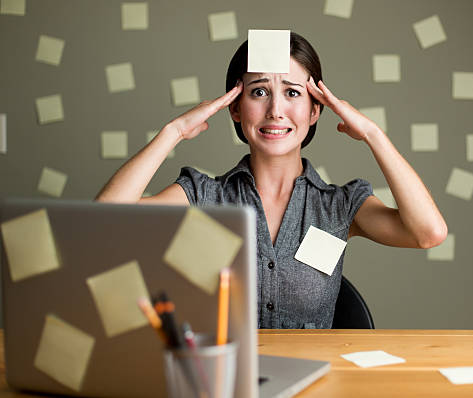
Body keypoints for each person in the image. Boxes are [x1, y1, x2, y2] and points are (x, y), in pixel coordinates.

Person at [95, 32, 447, 329]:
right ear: (235, 108)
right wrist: (171, 133)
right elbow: (105, 222)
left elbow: (428, 233)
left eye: (292, 93)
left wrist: (373, 134)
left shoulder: (340, 206)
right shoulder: (203, 195)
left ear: (315, 110)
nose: (275, 109)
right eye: (259, 92)